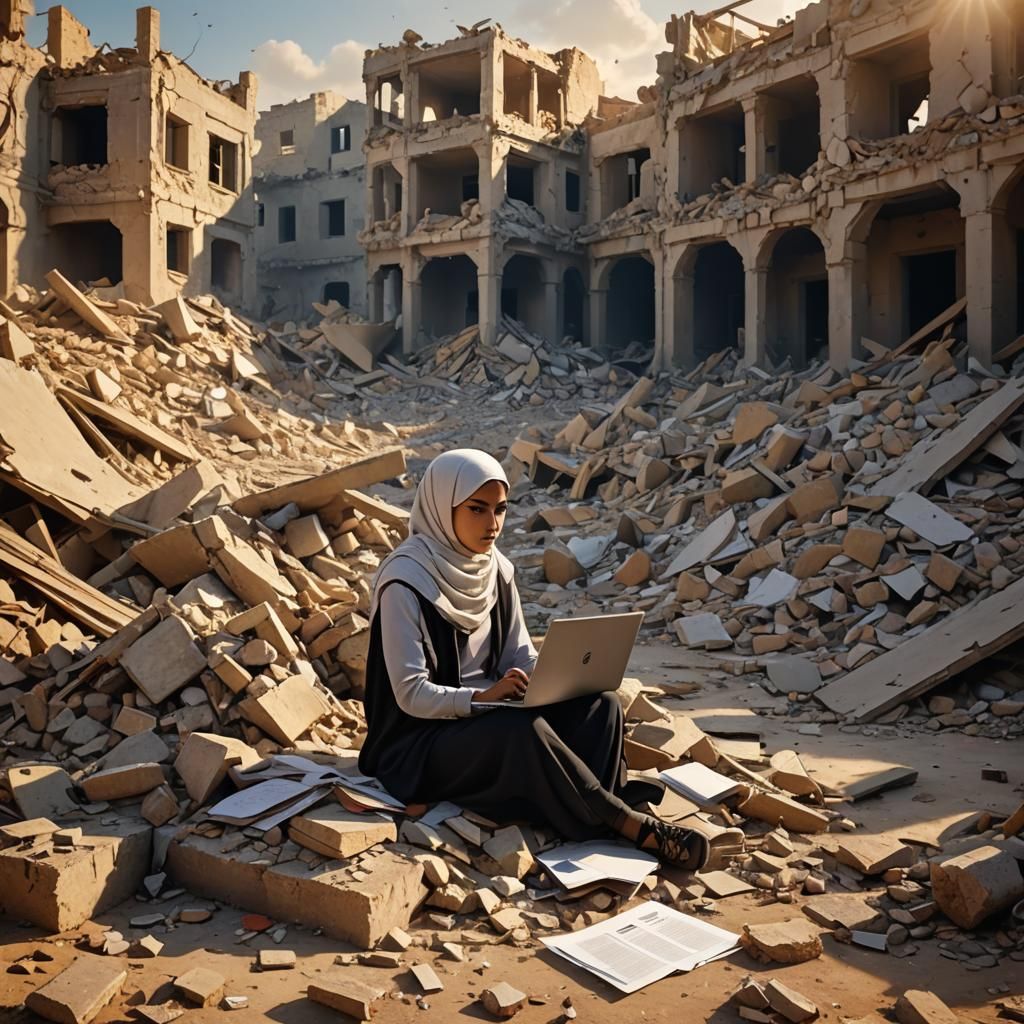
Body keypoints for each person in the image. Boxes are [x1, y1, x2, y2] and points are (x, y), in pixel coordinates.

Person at [359, 448, 735, 870]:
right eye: (477, 509)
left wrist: (553, 678)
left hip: (489, 716)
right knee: (522, 730)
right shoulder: (404, 581)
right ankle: (623, 821)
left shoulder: (496, 570)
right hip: (421, 740)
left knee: (601, 705)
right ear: (441, 508)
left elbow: (518, 652)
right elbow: (411, 693)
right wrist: (483, 699)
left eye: (500, 509)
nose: (492, 524)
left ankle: (582, 810)